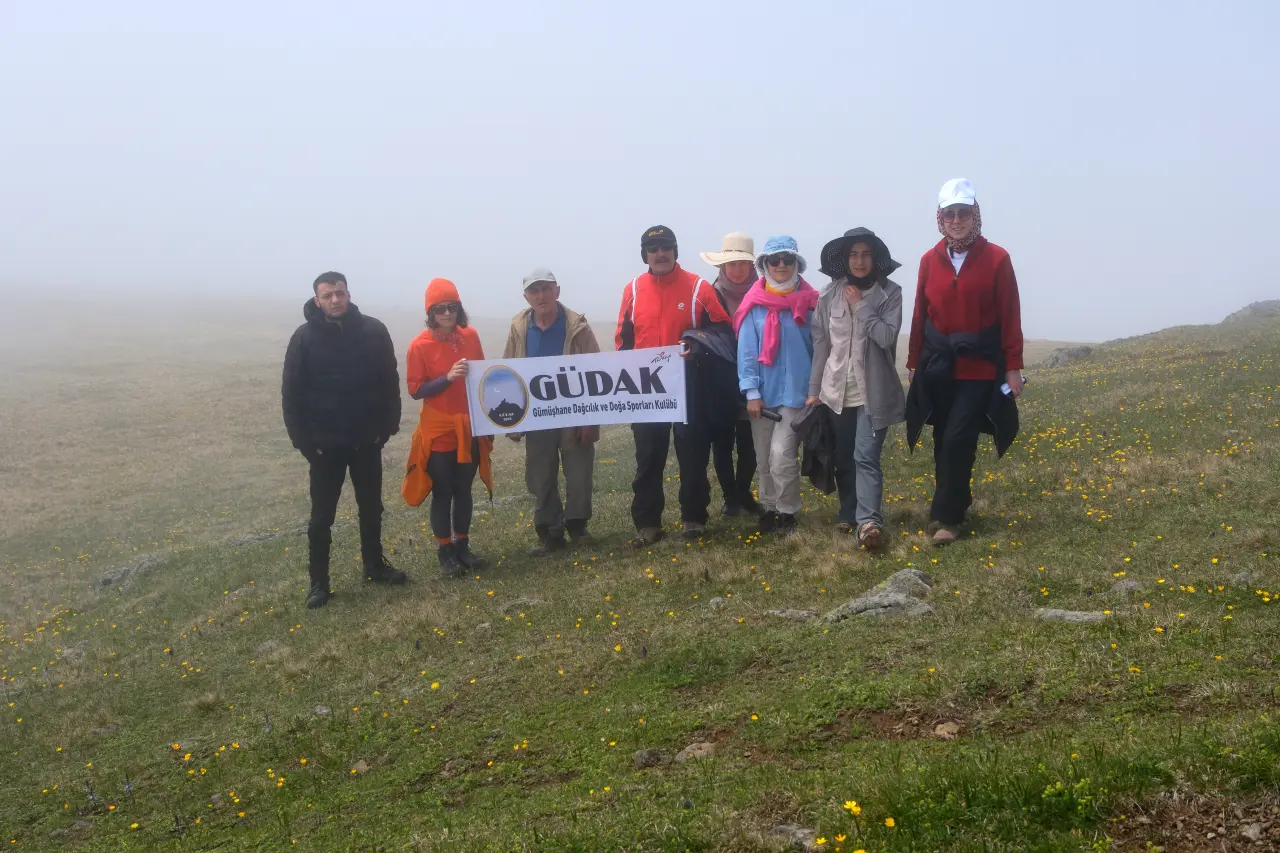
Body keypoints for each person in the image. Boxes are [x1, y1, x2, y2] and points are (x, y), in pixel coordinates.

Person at [906, 178, 1024, 544]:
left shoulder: (997, 258)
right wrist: (913, 363)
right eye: (950, 213)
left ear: (975, 215)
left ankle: (947, 518)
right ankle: (956, 500)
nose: (957, 220)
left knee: (959, 436)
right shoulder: (929, 260)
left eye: (964, 212)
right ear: (940, 218)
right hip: (938, 365)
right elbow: (919, 314)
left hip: (979, 366)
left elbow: (1010, 313)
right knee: (944, 438)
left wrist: (1013, 366)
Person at [282, 271, 405, 609]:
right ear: (317, 300)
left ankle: (374, 565)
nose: (335, 300)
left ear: (348, 294)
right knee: (322, 516)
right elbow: (291, 396)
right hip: (325, 446)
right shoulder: (303, 339)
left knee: (371, 507)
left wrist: (388, 426)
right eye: (327, 295)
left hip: (367, 440)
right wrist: (306, 443)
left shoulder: (374, 332)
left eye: (339, 293)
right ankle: (318, 583)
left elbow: (389, 381)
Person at [615, 225, 731, 544]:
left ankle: (694, 519)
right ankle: (648, 524)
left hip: (690, 384)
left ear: (675, 251)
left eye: (666, 247)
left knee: (692, 454)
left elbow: (722, 332)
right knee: (648, 457)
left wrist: (699, 348)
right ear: (645, 255)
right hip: (647, 388)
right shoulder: (633, 290)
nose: (660, 253)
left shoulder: (698, 287)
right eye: (653, 249)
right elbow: (623, 340)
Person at [809, 228, 907, 550]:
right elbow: (821, 347)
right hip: (835, 390)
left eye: (866, 254)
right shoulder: (827, 296)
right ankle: (848, 513)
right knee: (844, 458)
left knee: (866, 455)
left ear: (875, 258)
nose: (860, 261)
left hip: (873, 393)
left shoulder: (890, 293)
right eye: (853, 254)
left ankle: (869, 522)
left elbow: (886, 338)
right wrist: (813, 391)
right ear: (845, 259)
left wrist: (862, 306)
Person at [502, 268, 601, 556]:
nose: (541, 295)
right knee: (540, 475)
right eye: (535, 291)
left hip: (575, 413)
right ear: (526, 296)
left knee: (579, 472)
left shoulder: (577, 326)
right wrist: (511, 419)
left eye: (546, 289)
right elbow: (509, 368)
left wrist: (591, 418)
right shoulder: (519, 327)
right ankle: (550, 532)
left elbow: (596, 371)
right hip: (536, 416)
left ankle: (578, 526)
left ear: (557, 291)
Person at [403, 278, 493, 575]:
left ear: (458, 308)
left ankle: (462, 546)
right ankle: (445, 551)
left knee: (464, 489)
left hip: (469, 427)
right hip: (439, 430)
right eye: (439, 308)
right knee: (443, 492)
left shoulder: (471, 336)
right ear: (430, 312)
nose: (446, 312)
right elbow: (416, 390)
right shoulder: (419, 345)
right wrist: (448, 378)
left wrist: (487, 421)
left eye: (451, 306)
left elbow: (481, 378)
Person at [735, 236, 820, 535]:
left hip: (799, 394)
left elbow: (820, 349)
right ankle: (769, 508)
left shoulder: (813, 303)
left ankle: (788, 511)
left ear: (797, 263)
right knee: (763, 457)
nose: (781, 265)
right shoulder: (753, 305)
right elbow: (746, 353)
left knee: (782, 454)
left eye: (788, 259)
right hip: (763, 394)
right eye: (774, 259)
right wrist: (751, 392)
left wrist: (816, 391)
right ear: (764, 265)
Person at [698, 233, 761, 517]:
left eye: (742, 264)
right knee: (722, 442)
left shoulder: (764, 295)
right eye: (732, 264)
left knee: (750, 444)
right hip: (718, 380)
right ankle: (731, 498)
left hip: (756, 378)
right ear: (722, 267)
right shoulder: (707, 296)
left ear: (752, 266)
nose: (737, 270)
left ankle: (742, 493)